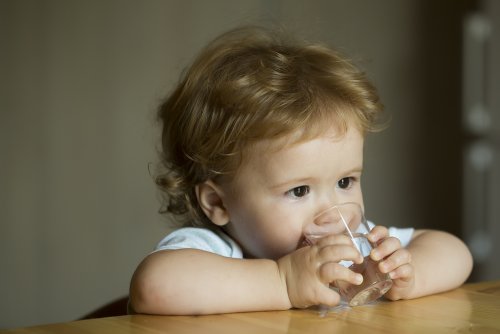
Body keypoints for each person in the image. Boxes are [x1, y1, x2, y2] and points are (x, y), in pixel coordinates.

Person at [129, 26, 473, 315]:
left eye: (345, 181)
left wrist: (410, 275)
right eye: (299, 191)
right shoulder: (212, 251)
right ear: (219, 203)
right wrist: (282, 281)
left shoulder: (357, 251)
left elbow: (455, 251)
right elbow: (154, 286)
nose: (331, 211)